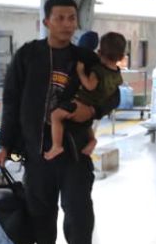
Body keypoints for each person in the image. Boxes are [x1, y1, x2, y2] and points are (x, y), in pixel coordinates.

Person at [0, 0, 106, 244]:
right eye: (60, 18)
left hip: (74, 155)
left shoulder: (84, 57)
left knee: (80, 220)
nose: (67, 23)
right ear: (46, 21)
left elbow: (106, 93)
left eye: (71, 18)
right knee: (42, 226)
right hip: (38, 156)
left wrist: (94, 112)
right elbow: (11, 100)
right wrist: (5, 144)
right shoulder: (28, 56)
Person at [45, 32, 125, 161]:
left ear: (100, 52)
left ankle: (56, 146)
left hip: (78, 107)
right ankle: (92, 140)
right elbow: (114, 94)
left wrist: (81, 73)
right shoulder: (116, 74)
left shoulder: (93, 66)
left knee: (56, 116)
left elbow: (91, 87)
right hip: (85, 111)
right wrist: (93, 110)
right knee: (86, 124)